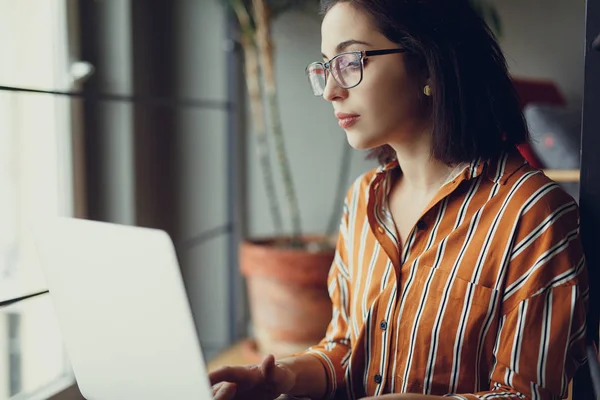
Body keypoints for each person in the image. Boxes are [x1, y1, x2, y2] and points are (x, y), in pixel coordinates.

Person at [210, 0, 589, 399]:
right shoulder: (363, 200)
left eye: (350, 61)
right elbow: (344, 349)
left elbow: (527, 394)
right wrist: (284, 376)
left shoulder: (532, 215)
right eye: (325, 67)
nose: (331, 91)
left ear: (427, 63)